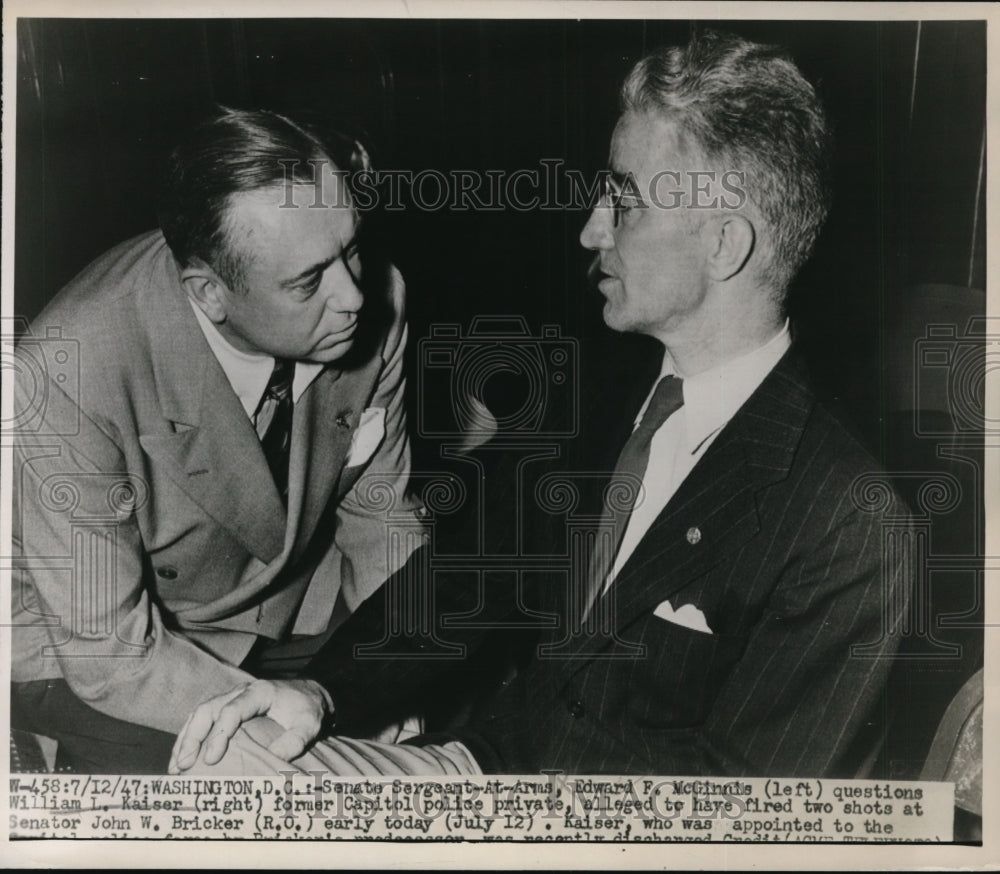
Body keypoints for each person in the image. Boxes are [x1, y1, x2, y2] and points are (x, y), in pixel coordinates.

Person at [170, 30, 911, 778]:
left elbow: (747, 826)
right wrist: (318, 693)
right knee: (223, 763)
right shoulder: (607, 387)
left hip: (604, 837)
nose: (591, 228)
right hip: (487, 765)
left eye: (623, 202)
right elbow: (467, 577)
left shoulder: (846, 524)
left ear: (725, 245)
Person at [10, 107, 427, 773]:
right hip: (89, 643)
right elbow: (108, 653)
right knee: (285, 786)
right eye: (309, 281)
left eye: (352, 248)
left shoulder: (381, 298)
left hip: (285, 603)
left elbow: (381, 518)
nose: (353, 296)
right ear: (209, 294)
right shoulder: (68, 368)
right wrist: (305, 709)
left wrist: (388, 675)